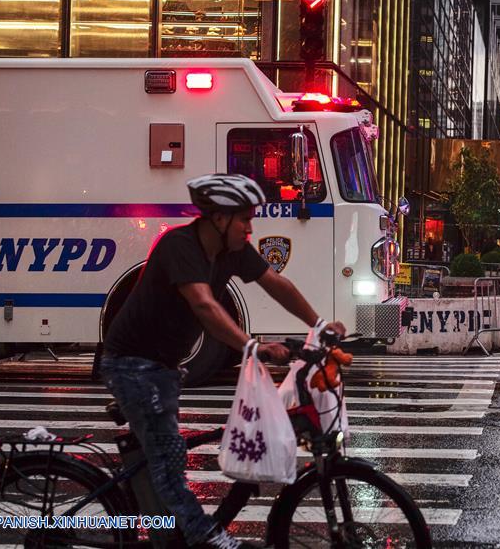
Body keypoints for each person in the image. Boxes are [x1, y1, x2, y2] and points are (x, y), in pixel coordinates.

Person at [100, 173, 345, 549]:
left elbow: (277, 284)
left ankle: (169, 533)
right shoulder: (179, 245)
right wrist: (253, 346)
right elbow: (203, 304)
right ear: (219, 219)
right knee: (167, 462)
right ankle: (206, 537)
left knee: (167, 454)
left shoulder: (233, 251)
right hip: (133, 364)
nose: (251, 227)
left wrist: (320, 325)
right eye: (244, 218)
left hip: (164, 366)